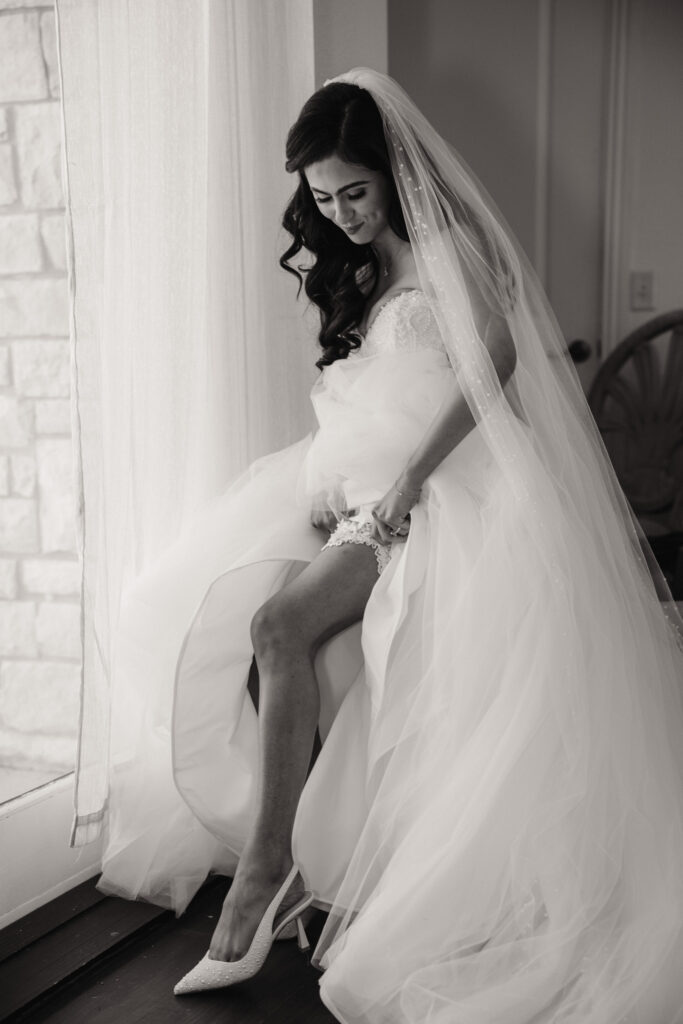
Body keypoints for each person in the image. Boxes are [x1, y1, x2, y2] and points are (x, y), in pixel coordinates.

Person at [99, 69, 683, 1023]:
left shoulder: (447, 242)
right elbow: (371, 388)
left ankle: (263, 872)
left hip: (442, 490)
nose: (341, 214)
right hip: (369, 492)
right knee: (235, 605)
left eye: (354, 192)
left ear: (392, 171)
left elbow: (492, 356)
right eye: (323, 200)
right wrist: (342, 485)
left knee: (279, 625)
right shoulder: (365, 264)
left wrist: (407, 484)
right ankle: (274, 860)